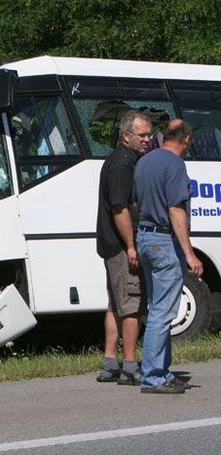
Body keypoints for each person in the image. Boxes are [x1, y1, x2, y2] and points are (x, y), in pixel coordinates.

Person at [134, 119, 203, 394]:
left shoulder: (145, 161)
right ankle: (153, 377)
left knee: (156, 307)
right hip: (163, 240)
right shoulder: (174, 164)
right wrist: (189, 253)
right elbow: (176, 209)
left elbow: (136, 202)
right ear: (186, 139)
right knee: (163, 312)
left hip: (145, 236)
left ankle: (161, 370)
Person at [95, 111, 151, 385]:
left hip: (111, 244)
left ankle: (109, 363)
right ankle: (129, 366)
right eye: (142, 135)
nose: (148, 140)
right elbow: (119, 208)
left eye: (149, 135)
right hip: (120, 245)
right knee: (132, 305)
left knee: (116, 304)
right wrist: (131, 246)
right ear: (126, 135)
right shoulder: (122, 164)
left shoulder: (124, 159)